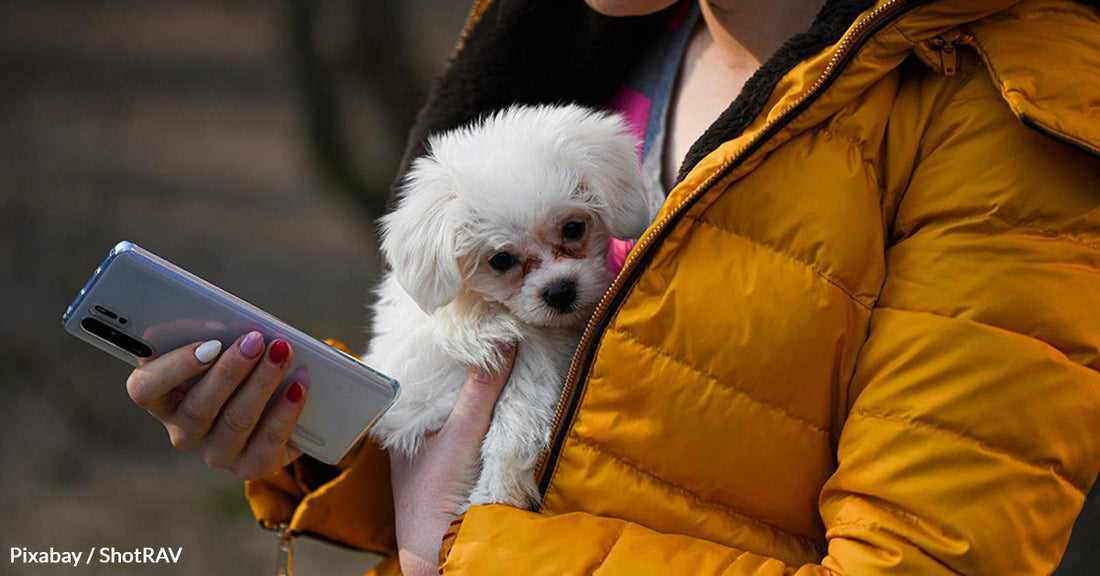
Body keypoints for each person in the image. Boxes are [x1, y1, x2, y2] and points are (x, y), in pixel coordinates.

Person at [125, 0, 1100, 574]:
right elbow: (543, 425)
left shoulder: (990, 118)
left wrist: (470, 552)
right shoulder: (581, 47)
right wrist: (310, 436)